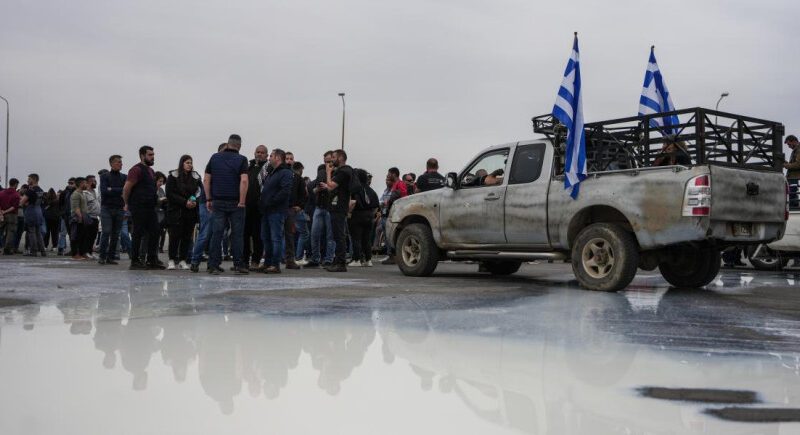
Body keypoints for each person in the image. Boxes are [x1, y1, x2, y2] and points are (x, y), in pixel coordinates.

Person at [204, 134, 249, 275]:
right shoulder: (242, 160)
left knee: (217, 234)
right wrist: (242, 201)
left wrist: (208, 199)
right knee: (237, 235)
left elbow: (206, 179)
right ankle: (238, 265)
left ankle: (213, 265)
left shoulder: (214, 157)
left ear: (228, 144)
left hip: (217, 201)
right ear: (239, 146)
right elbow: (244, 181)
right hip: (235, 202)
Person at [123, 145, 166, 270]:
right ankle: (135, 261)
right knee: (138, 233)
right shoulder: (136, 170)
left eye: (153, 155)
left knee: (155, 231)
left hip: (149, 207)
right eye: (150, 155)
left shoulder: (151, 171)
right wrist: (127, 203)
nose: (153, 157)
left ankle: (152, 260)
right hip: (138, 206)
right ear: (142, 156)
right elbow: (126, 188)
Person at [190, 143, 226, 273]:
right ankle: (195, 261)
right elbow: (206, 181)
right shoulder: (214, 164)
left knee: (216, 234)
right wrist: (209, 199)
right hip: (208, 202)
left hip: (217, 202)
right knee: (206, 233)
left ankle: (213, 262)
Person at [259, 148, 294, 273]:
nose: (269, 158)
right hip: (267, 211)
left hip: (277, 211)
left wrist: (271, 201)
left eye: (272, 156)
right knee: (266, 238)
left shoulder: (286, 172)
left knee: (275, 238)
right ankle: (267, 263)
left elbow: (285, 191)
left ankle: (275, 265)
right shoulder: (272, 172)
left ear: (278, 158)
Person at [166, 155, 201, 270]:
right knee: (175, 236)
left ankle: (183, 260)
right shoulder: (173, 176)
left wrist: (194, 201)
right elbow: (170, 193)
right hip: (177, 211)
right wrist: (184, 202)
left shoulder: (196, 177)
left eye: (191, 162)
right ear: (182, 163)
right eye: (187, 162)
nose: (190, 165)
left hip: (190, 211)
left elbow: (200, 191)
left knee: (187, 237)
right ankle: (171, 259)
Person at [320, 149, 353, 272]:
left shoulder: (343, 172)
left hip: (339, 207)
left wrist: (328, 172)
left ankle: (341, 263)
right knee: (336, 235)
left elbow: (331, 185)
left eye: (334, 157)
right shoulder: (342, 171)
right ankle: (337, 261)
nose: (331, 160)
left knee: (339, 235)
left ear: (340, 158)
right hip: (336, 206)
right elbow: (332, 189)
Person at [306, 151, 336, 268]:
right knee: (314, 234)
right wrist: (318, 189)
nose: (327, 164)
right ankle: (315, 258)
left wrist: (327, 187)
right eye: (325, 162)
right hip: (319, 206)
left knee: (330, 236)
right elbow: (313, 189)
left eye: (329, 161)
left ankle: (328, 259)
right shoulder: (322, 172)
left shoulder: (338, 173)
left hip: (330, 208)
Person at [98, 155, 127, 265]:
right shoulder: (105, 176)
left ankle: (110, 257)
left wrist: (112, 189)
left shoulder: (124, 177)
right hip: (107, 208)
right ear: (111, 163)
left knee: (116, 234)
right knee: (106, 232)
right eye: (118, 162)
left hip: (119, 208)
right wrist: (119, 190)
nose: (121, 164)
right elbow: (104, 191)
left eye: (121, 162)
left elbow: (125, 190)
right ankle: (102, 256)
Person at [244, 145, 268, 270]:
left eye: (262, 153)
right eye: (257, 152)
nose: (259, 154)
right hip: (246, 206)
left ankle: (255, 260)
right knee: (244, 235)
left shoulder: (268, 168)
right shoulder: (248, 167)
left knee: (257, 235)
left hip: (259, 208)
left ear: (266, 155)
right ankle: (243, 261)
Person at [348, 169, 379, 267]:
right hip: (369, 216)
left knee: (356, 238)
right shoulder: (371, 190)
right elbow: (376, 206)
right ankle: (368, 260)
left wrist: (348, 213)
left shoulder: (355, 188)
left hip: (357, 215)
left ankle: (357, 259)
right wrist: (372, 215)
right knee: (367, 239)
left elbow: (352, 202)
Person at [380, 167, 408, 265]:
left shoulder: (400, 184)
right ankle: (391, 255)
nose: (387, 176)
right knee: (388, 235)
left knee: (390, 235)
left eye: (389, 174)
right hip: (391, 212)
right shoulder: (395, 185)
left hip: (396, 213)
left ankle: (392, 256)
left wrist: (391, 200)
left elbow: (403, 195)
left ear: (393, 174)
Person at [284, 152, 306, 270]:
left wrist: (300, 206)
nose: (288, 161)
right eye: (286, 158)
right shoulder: (276, 173)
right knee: (275, 235)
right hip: (277, 208)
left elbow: (303, 194)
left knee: (289, 235)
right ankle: (272, 259)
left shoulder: (297, 178)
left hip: (290, 209)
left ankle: (289, 259)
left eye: (291, 159)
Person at [19, 174, 46, 257]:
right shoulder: (41, 190)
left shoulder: (30, 190)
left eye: (29, 179)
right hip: (39, 211)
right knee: (38, 232)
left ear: (34, 180)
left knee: (31, 232)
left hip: (31, 212)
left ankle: (33, 251)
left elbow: (22, 202)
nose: (27, 181)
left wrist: (22, 200)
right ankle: (42, 251)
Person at [70, 177, 91, 260]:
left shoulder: (82, 193)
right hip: (77, 218)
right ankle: (75, 254)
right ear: (81, 184)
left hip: (83, 217)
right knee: (76, 236)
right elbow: (76, 208)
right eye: (85, 183)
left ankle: (82, 253)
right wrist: (80, 217)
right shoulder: (76, 194)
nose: (86, 184)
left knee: (83, 236)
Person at [0, 178, 21, 255]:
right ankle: (7, 249)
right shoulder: (16, 194)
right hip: (12, 215)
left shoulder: (1, 193)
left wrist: (1, 212)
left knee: (0, 231)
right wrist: (5, 211)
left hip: (1, 214)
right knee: (10, 232)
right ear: (15, 184)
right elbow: (14, 207)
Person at [84, 175, 101, 258]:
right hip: (88, 217)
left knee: (93, 236)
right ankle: (86, 252)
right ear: (88, 182)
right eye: (93, 181)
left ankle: (90, 252)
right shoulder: (85, 193)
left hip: (95, 217)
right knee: (87, 235)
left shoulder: (95, 192)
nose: (95, 182)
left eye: (95, 181)